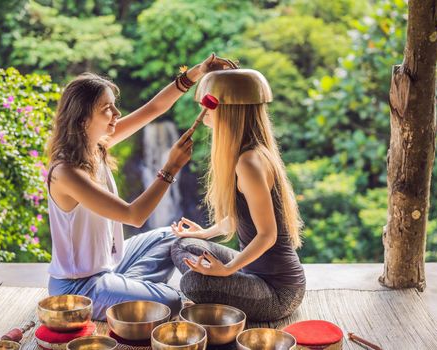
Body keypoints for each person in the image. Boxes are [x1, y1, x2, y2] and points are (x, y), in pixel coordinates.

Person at [45, 54, 237, 320]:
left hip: (111, 266)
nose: (116, 114)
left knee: (170, 236)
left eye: (114, 106)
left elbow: (154, 109)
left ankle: (130, 292)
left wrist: (196, 72)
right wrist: (171, 168)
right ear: (82, 119)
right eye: (107, 109)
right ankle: (133, 293)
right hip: (79, 288)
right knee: (170, 300)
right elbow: (134, 216)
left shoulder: (95, 147)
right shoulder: (65, 172)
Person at [171, 69, 306, 321]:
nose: (204, 113)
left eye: (209, 107)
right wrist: (204, 233)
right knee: (183, 245)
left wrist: (228, 270)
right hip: (252, 271)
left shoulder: (250, 161)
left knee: (192, 283)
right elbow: (241, 217)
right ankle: (227, 291)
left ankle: (225, 298)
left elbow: (268, 234)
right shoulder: (245, 155)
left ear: (229, 110)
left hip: (278, 292)